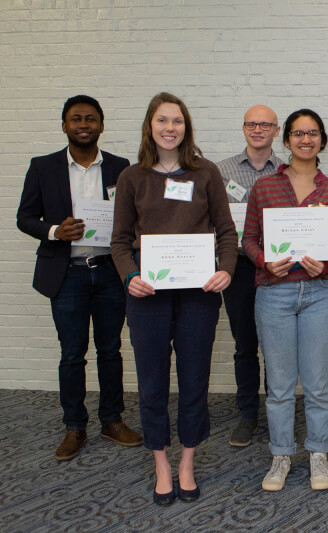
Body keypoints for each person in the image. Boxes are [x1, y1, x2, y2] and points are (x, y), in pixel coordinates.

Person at [110, 92, 238, 505]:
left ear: (187, 127)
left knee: (194, 380)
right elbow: (119, 242)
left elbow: (227, 233)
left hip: (198, 295)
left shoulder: (206, 173)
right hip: (148, 295)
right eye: (162, 121)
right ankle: (161, 463)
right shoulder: (132, 177)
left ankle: (187, 462)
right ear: (150, 126)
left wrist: (226, 269)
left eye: (177, 121)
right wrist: (130, 275)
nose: (170, 128)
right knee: (150, 383)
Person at [16, 95, 143, 462]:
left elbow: (134, 217)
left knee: (111, 350)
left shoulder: (121, 168)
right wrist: (56, 230)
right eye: (76, 119)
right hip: (66, 274)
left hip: (109, 272)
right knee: (72, 354)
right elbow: (25, 218)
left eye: (90, 119)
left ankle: (112, 420)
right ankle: (74, 426)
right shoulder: (43, 167)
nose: (83, 124)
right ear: (64, 126)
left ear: (102, 125)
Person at [242, 109, 328, 492]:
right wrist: (265, 262)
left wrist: (327, 264)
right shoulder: (263, 188)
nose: (305, 139)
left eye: (312, 133)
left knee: (317, 383)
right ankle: (280, 454)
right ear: (286, 139)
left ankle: (318, 453)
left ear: (322, 140)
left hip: (321, 294)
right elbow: (248, 241)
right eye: (297, 133)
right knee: (278, 384)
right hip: (273, 293)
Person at [217, 105, 284, 447]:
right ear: (244, 128)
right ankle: (247, 414)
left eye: (265, 124)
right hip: (240, 268)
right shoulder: (221, 171)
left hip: (278, 270)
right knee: (245, 345)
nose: (258, 129)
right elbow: (210, 220)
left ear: (276, 130)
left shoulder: (288, 171)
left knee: (276, 346)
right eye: (251, 124)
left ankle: (278, 413)